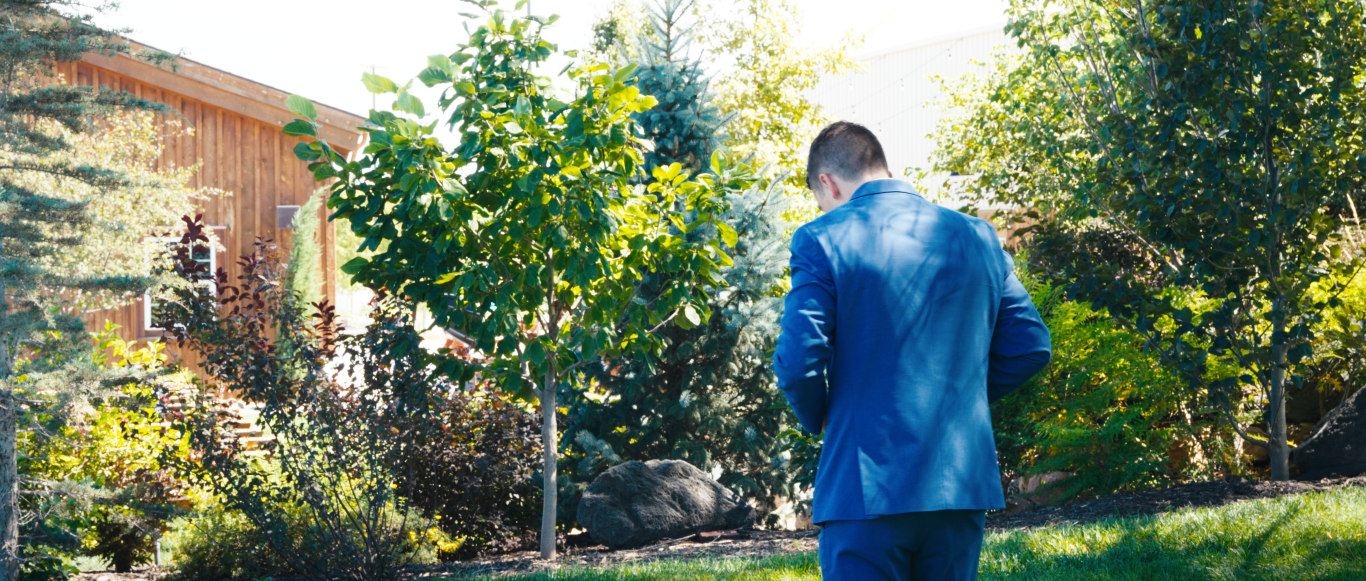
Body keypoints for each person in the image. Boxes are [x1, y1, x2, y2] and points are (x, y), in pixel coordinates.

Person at [773, 121, 1052, 581]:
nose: (820, 207)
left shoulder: (820, 237)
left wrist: (820, 416)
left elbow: (799, 359)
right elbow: (1030, 347)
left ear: (827, 182)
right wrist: (962, 399)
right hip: (960, 484)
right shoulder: (978, 235)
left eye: (817, 197)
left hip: (866, 485)